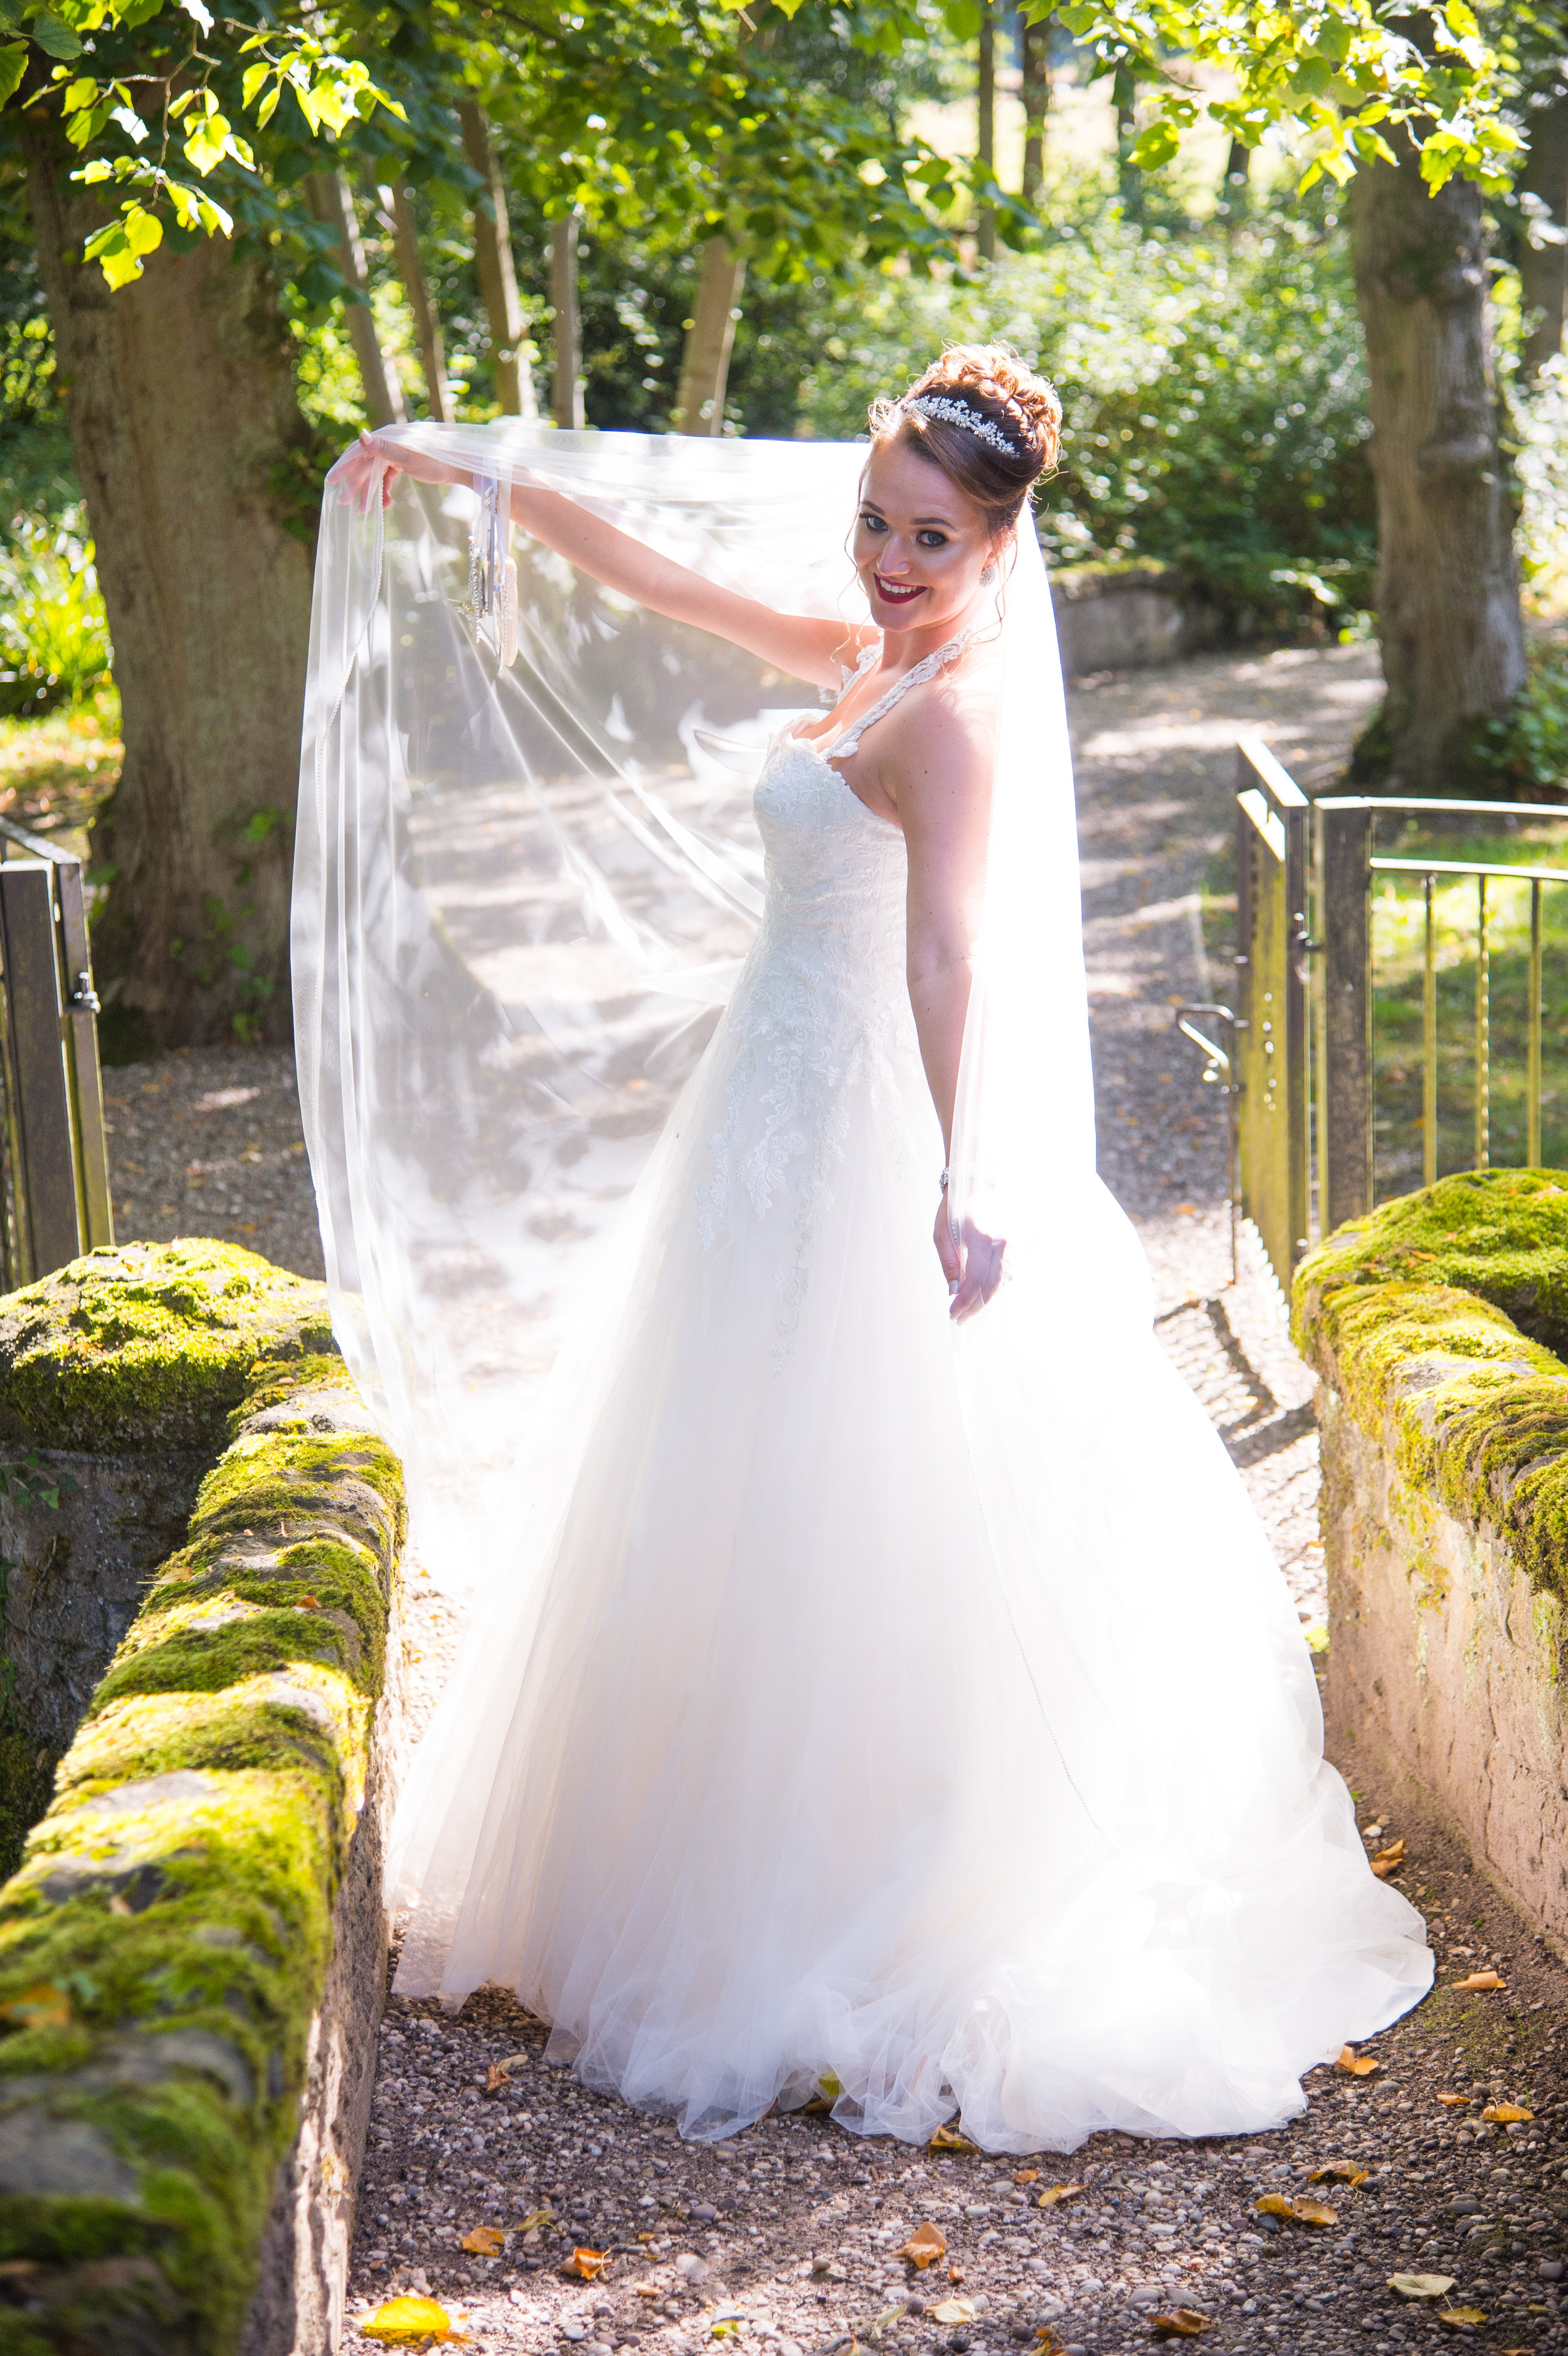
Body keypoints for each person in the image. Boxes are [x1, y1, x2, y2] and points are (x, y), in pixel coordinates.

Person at [311, 346, 1431, 2153]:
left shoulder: (954, 713)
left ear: (997, 546)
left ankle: (861, 1885)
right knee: (725, 1485)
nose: (889, 561)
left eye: (927, 537)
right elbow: (668, 584)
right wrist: (469, 475)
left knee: (870, 1495)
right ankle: (689, 1857)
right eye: (873, 525)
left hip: (866, 1142)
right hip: (753, 1128)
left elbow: (947, 959)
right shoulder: (865, 663)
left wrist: (963, 1175)